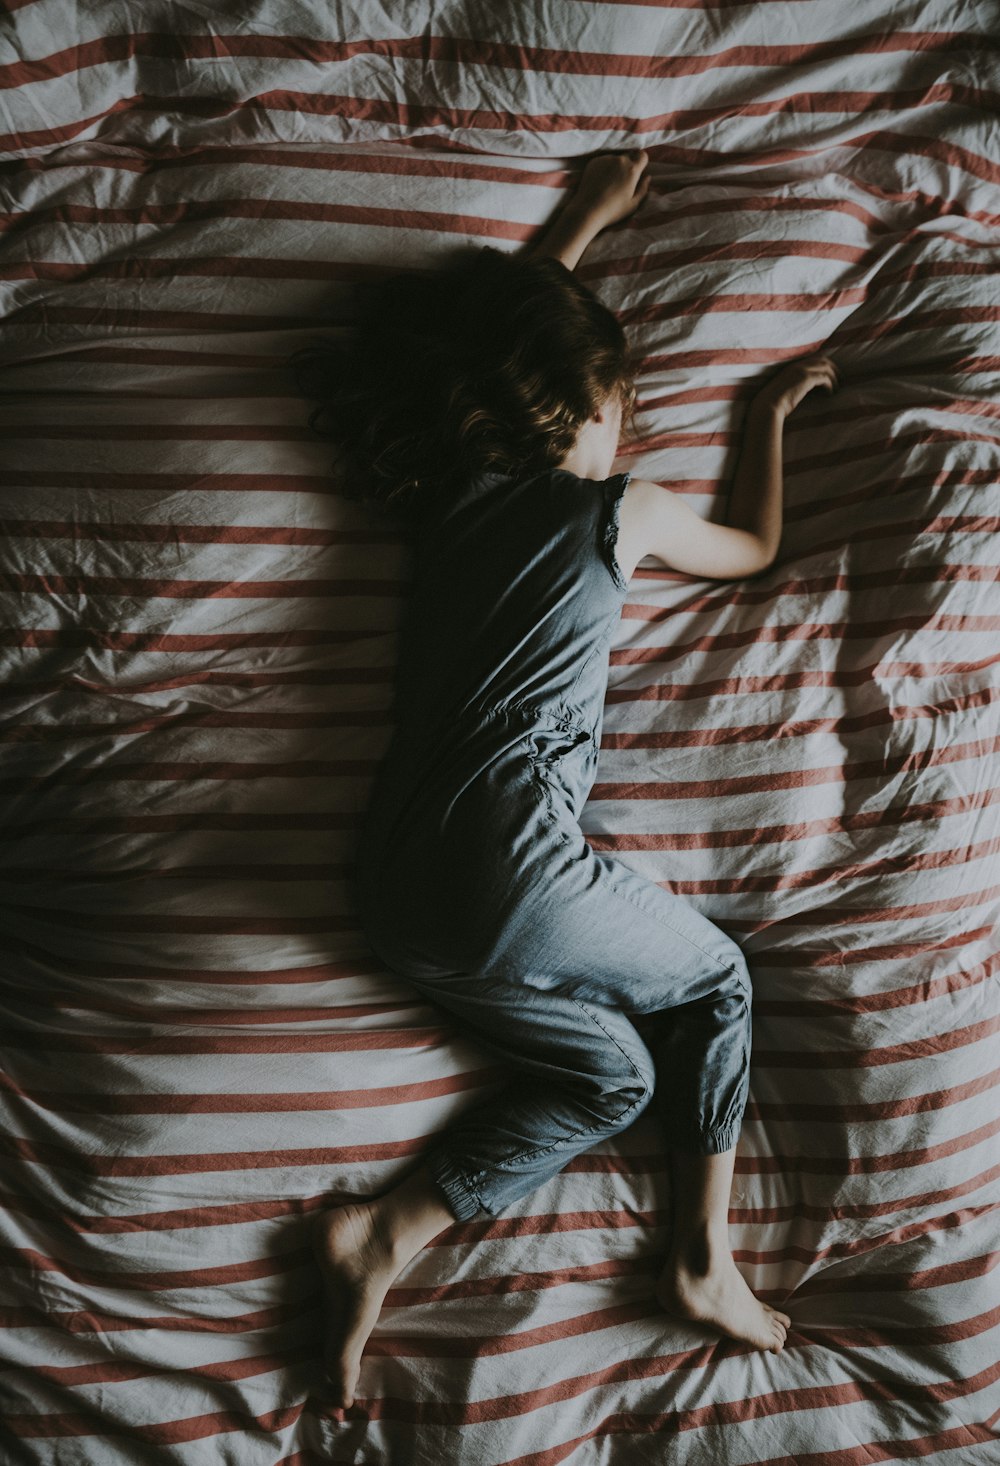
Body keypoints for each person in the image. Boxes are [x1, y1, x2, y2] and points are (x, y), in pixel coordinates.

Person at [295, 150, 838, 1410]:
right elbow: (754, 549)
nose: (629, 432)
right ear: (574, 418)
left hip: (398, 892)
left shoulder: (451, 497)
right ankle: (701, 1257)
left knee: (612, 1077)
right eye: (622, 409)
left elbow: (519, 338)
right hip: (509, 870)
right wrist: (764, 420)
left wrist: (584, 218)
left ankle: (382, 1233)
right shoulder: (622, 510)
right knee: (713, 983)